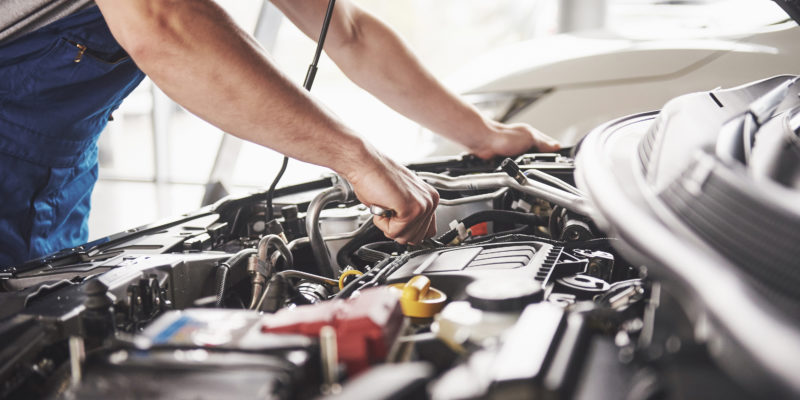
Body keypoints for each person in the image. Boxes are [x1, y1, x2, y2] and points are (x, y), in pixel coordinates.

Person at [0, 0, 559, 266]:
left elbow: (348, 33)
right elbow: (162, 20)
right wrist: (356, 158)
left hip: (53, 170)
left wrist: (484, 135)